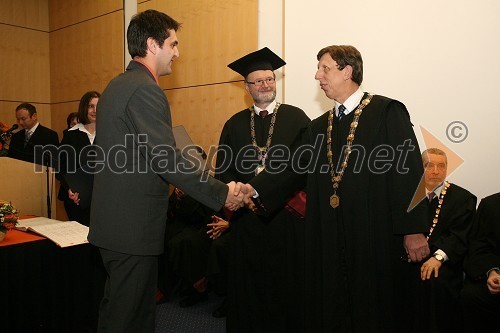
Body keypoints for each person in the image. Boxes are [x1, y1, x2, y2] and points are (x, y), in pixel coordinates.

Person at [244, 45, 430, 332]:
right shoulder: (320, 126)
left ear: (347, 71)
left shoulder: (386, 111)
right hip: (330, 234)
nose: (317, 75)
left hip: (374, 234)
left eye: (324, 68)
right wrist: (252, 190)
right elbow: (291, 167)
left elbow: (408, 173)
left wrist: (413, 228)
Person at [87, 10, 243, 333]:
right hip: (131, 230)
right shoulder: (145, 89)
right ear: (151, 44)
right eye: (173, 44)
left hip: (115, 228)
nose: (177, 52)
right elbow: (167, 160)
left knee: (117, 312)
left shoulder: (117, 86)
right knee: (131, 319)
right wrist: (223, 192)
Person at [215, 47, 311, 332]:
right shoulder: (234, 124)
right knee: (250, 283)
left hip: (287, 219)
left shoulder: (298, 119)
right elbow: (224, 170)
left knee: (286, 282)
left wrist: (265, 192)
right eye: (258, 81)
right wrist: (239, 197)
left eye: (270, 79)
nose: (266, 85)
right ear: (247, 87)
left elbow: (305, 167)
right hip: (248, 223)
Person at [418, 148, 476, 333]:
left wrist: (438, 258)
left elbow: (460, 235)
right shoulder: (403, 196)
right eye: (429, 165)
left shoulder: (462, 198)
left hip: (443, 262)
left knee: (436, 282)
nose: (436, 171)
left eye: (441, 166)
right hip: (407, 259)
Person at [56, 91, 100, 226]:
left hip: (102, 200)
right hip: (75, 198)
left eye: (98, 106)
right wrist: (70, 189)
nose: (95, 110)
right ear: (83, 108)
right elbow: (61, 168)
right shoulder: (71, 135)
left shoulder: (109, 132)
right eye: (91, 106)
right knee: (80, 243)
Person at [460, 193, 500, 332]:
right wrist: (492, 271)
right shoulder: (490, 205)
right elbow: (478, 245)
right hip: (496, 272)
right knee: (471, 296)